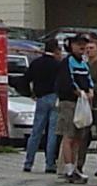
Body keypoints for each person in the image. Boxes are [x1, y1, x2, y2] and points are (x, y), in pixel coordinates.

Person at [20, 38, 66, 175]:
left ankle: (28, 162)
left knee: (36, 131)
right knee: (52, 132)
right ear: (56, 50)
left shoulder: (36, 63)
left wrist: (30, 93)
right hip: (54, 97)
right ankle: (50, 164)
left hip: (40, 98)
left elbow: (25, 79)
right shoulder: (58, 65)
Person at [60, 36, 97, 182]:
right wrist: (80, 93)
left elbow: (88, 79)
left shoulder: (83, 62)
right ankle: (68, 169)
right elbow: (67, 81)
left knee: (78, 137)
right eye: (79, 44)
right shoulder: (67, 61)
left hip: (83, 102)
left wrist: (90, 91)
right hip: (70, 102)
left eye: (84, 44)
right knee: (68, 136)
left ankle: (75, 168)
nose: (82, 47)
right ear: (71, 46)